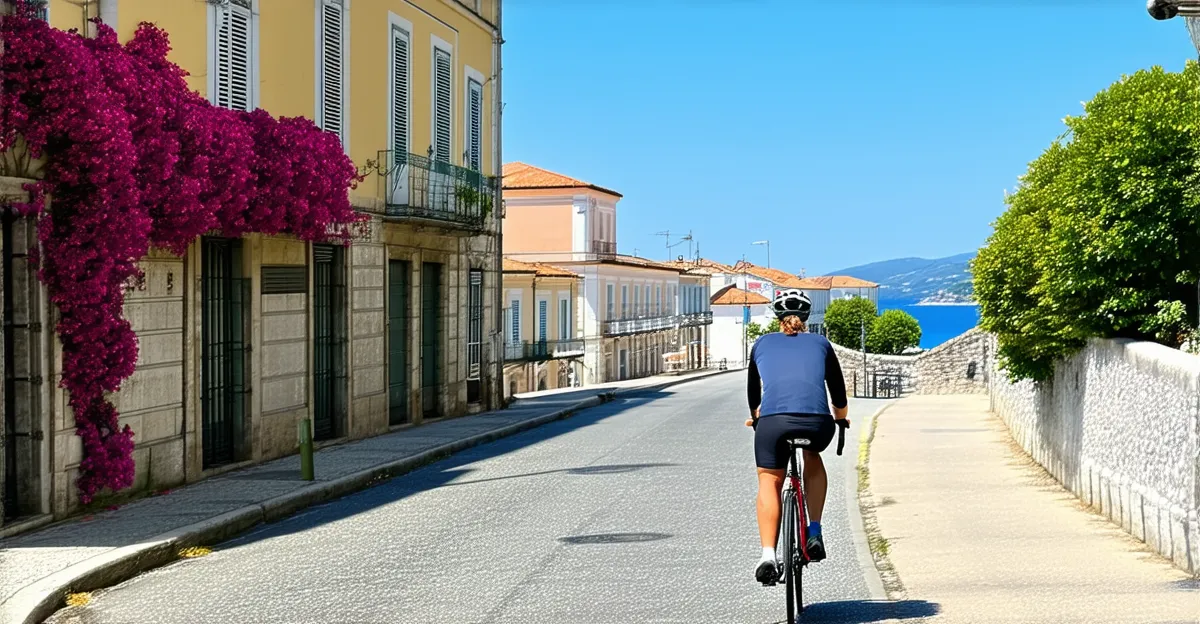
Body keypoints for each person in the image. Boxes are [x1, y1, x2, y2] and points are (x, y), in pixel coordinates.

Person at [746, 289, 849, 584]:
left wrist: (756, 419)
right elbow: (838, 393)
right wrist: (841, 419)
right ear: (806, 318)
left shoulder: (762, 343)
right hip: (817, 423)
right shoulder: (821, 343)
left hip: (773, 423)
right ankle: (814, 529)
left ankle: (768, 555)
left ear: (778, 319)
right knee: (811, 454)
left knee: (770, 479)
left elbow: (754, 394)